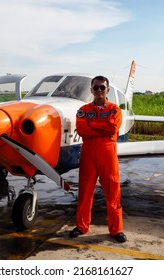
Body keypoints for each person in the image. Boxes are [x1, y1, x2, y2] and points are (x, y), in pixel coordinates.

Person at [69, 75, 126, 243]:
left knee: (113, 193)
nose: (99, 90)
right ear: (91, 90)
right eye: (96, 87)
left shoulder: (115, 109)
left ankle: (116, 229)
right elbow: (81, 130)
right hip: (88, 154)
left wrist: (91, 125)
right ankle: (81, 226)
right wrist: (101, 128)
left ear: (107, 90)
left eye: (102, 87)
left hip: (107, 154)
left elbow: (112, 128)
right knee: (85, 192)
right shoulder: (83, 110)